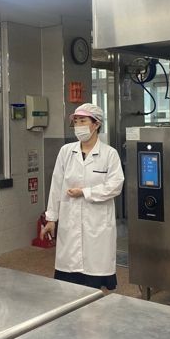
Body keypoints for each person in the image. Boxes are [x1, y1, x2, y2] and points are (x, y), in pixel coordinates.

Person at [41, 103, 124, 291]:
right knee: (68, 280)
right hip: (70, 221)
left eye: (83, 121)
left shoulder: (109, 154)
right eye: (76, 122)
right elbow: (56, 186)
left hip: (97, 224)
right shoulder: (66, 151)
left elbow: (115, 185)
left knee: (94, 278)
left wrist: (86, 192)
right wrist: (51, 218)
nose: (78, 126)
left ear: (96, 124)